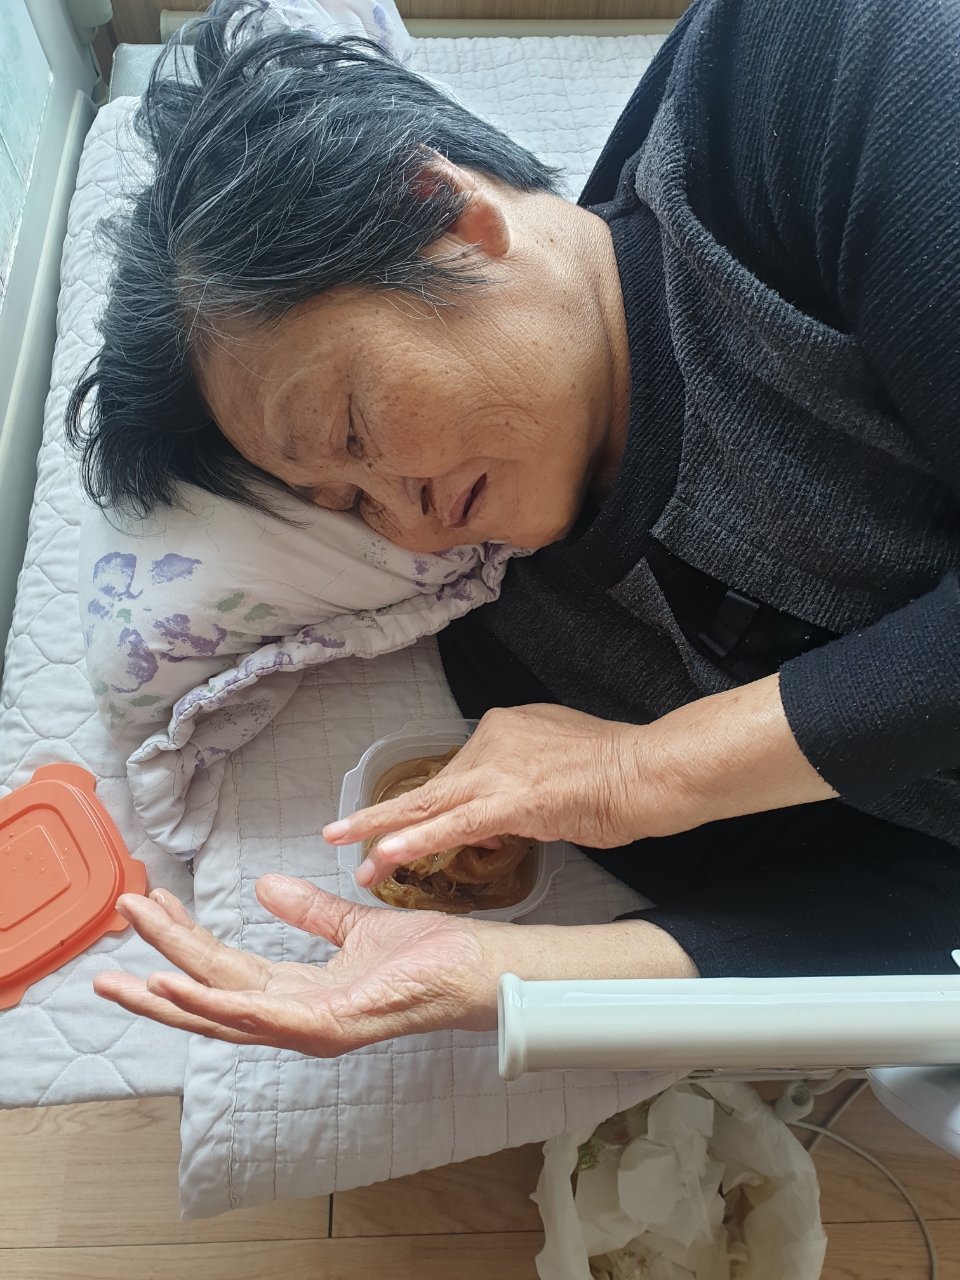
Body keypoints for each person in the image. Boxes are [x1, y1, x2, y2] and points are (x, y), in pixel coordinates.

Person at [75, 0, 960, 1058]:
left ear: (442, 213)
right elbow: (915, 919)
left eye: (353, 430)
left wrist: (652, 770)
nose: (405, 521)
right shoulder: (525, 658)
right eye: (348, 503)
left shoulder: (805, 75)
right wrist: (500, 975)